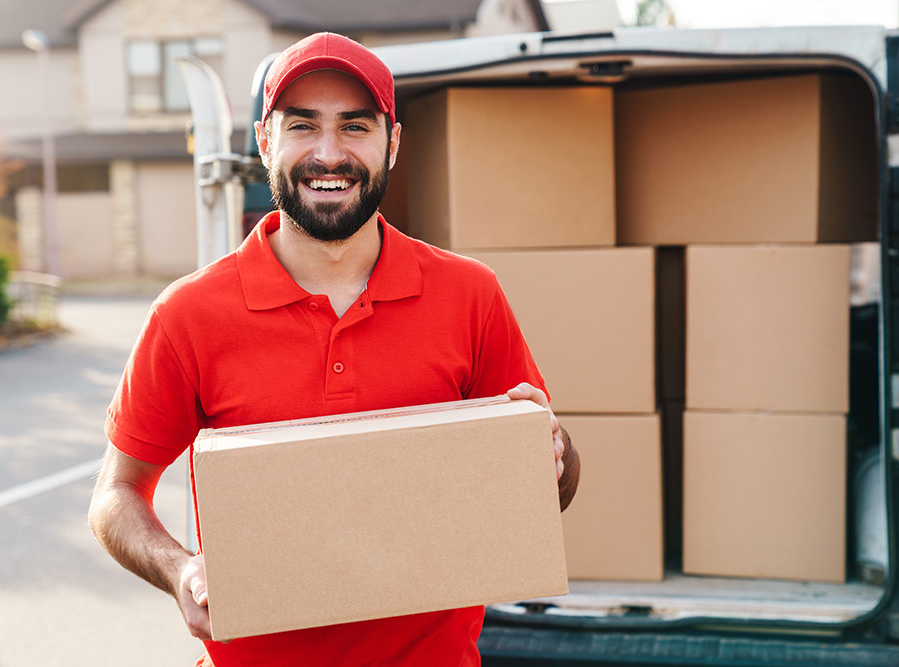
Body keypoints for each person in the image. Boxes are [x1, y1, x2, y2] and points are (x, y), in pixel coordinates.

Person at [88, 31, 580, 667]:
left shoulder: (469, 295)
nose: (328, 153)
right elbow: (115, 494)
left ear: (392, 143)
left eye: (355, 126)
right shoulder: (189, 315)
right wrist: (179, 569)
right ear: (266, 141)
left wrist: (552, 456)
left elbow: (552, 485)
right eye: (303, 126)